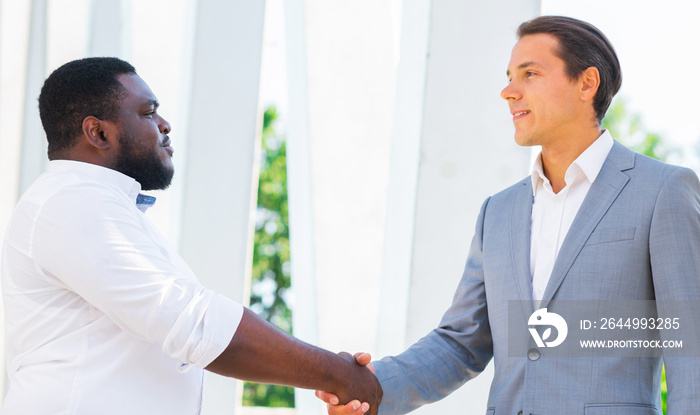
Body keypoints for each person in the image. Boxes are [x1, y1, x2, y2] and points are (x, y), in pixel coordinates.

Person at [316, 15, 700, 415]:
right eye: (509, 76)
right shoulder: (497, 212)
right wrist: (372, 387)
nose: (508, 92)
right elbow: (461, 342)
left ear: (587, 83)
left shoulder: (662, 191)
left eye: (529, 74)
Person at [0, 57, 381, 415]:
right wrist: (339, 375)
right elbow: (193, 324)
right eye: (148, 113)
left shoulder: (95, 205)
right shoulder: (72, 202)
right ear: (97, 131)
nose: (164, 125)